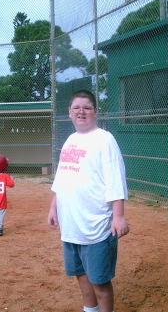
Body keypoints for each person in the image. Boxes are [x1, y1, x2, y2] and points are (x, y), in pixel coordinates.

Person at [48, 89, 129, 312]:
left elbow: (115, 179)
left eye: (86, 108)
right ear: (69, 112)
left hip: (97, 225)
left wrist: (119, 216)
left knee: (100, 281)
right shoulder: (70, 140)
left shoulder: (104, 139)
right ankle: (89, 309)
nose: (81, 112)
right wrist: (53, 207)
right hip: (72, 224)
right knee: (80, 274)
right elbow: (62, 176)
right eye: (76, 108)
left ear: (95, 112)